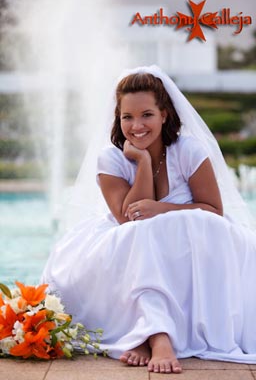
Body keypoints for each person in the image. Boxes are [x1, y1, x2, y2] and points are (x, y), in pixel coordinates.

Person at [41, 65, 256, 374]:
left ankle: (148, 334)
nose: (137, 126)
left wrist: (162, 209)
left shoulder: (188, 150)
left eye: (146, 115)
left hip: (192, 245)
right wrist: (141, 162)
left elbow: (213, 210)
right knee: (141, 236)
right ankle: (157, 334)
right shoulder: (111, 159)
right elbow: (127, 219)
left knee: (156, 231)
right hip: (131, 243)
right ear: (118, 118)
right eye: (127, 117)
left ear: (164, 114)